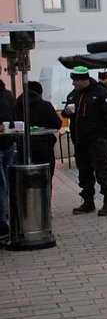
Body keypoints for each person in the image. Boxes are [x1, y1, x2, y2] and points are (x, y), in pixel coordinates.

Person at [60, 67, 107, 216]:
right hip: (80, 141)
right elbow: (66, 112)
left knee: (102, 172)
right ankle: (88, 202)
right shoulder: (73, 95)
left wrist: (103, 136)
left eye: (75, 80)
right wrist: (65, 113)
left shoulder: (100, 92)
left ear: (83, 79)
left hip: (96, 142)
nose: (73, 83)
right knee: (84, 173)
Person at [13, 81, 62, 177]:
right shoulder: (46, 105)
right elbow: (57, 124)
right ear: (40, 92)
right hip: (44, 148)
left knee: (25, 179)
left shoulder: (16, 106)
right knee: (45, 179)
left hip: (23, 147)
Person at [0, 79, 15, 236]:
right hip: (5, 144)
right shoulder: (7, 95)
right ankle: (3, 222)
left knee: (7, 184)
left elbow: (13, 115)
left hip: (8, 143)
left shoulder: (8, 95)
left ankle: (6, 217)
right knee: (2, 184)